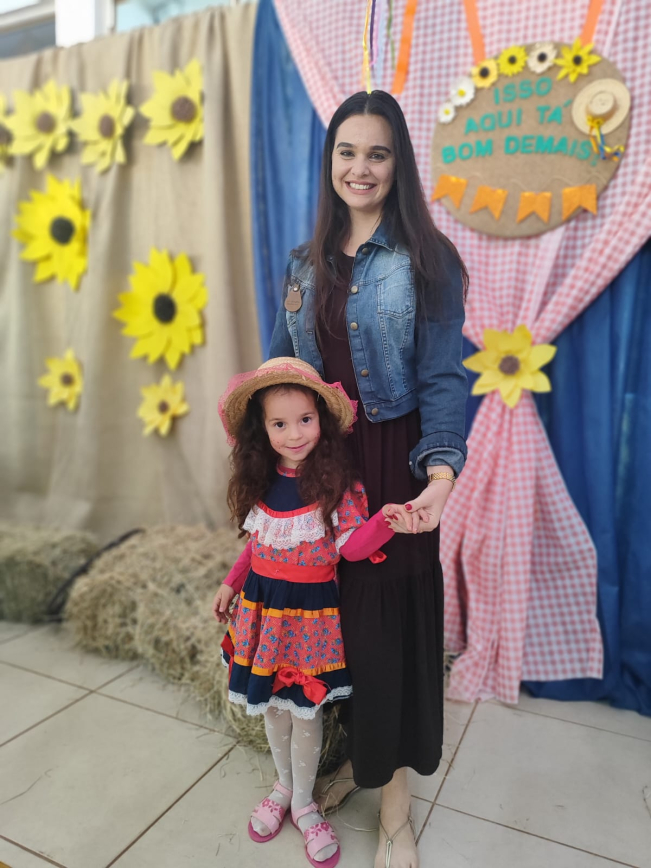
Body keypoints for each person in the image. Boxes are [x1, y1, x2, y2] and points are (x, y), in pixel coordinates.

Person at [268, 90, 469, 868]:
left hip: (395, 470)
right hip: (322, 469)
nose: (360, 168)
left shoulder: (428, 260)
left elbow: (444, 377)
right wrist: (272, 484)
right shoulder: (301, 264)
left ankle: (393, 811)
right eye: (346, 152)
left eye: (377, 153)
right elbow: (280, 377)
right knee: (332, 633)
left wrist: (440, 477)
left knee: (390, 635)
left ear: (398, 163)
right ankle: (356, 760)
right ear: (330, 162)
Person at [213, 357, 401, 868]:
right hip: (261, 611)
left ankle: (302, 802)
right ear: (262, 429)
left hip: (309, 620)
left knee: (305, 708)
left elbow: (351, 547)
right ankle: (282, 784)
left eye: (304, 420)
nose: (294, 434)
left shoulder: (337, 482)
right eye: (279, 424)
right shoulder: (262, 479)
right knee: (274, 706)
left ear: (322, 419)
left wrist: (385, 522)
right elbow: (257, 544)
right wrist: (231, 582)